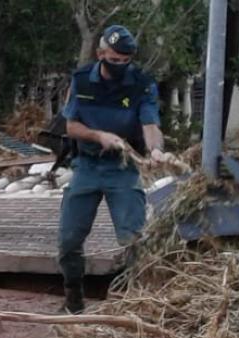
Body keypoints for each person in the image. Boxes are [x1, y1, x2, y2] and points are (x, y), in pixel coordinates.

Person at [59, 25, 166, 313]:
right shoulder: (81, 81)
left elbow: (150, 124)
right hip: (87, 165)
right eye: (114, 60)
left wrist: (155, 149)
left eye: (125, 61)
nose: (119, 66)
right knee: (69, 239)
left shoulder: (141, 83)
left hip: (123, 168)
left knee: (134, 238)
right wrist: (99, 136)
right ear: (101, 54)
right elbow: (71, 126)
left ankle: (139, 304)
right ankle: (73, 299)